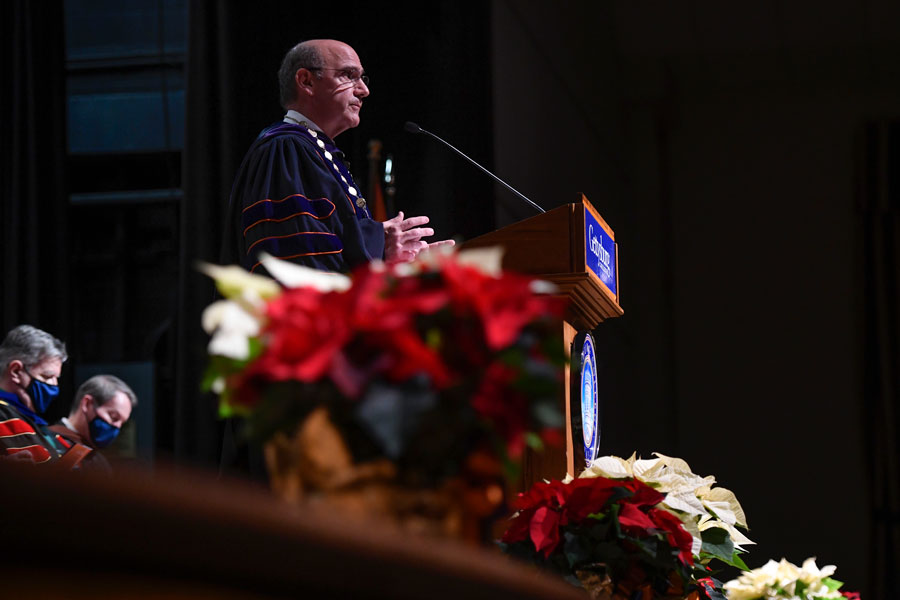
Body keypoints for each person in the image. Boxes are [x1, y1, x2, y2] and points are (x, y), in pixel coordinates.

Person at [222, 38, 454, 275]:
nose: (364, 90)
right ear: (306, 81)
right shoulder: (285, 149)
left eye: (362, 78)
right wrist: (380, 256)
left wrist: (397, 263)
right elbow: (300, 258)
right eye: (348, 75)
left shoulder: (314, 150)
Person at [0, 325, 68, 463]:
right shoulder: (4, 416)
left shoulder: (34, 422)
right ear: (16, 371)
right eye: (47, 376)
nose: (54, 385)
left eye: (56, 378)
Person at [48, 375, 137, 475]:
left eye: (122, 423)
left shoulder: (100, 462)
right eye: (113, 417)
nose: (117, 426)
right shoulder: (45, 442)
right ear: (87, 404)